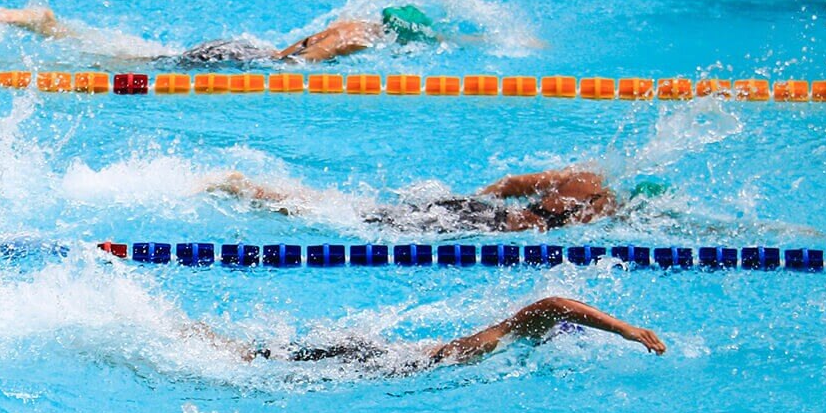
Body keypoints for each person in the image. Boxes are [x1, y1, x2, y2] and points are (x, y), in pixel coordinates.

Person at [187, 296, 665, 377]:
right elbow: (552, 305)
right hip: (379, 359)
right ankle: (206, 341)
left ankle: (214, 342)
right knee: (254, 361)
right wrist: (624, 329)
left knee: (267, 358)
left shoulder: (507, 345)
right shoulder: (508, 335)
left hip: (385, 359)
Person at [207, 166, 666, 234]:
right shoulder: (603, 207)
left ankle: (259, 190)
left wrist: (469, 200)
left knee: (364, 213)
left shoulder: (584, 176)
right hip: (484, 226)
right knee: (363, 222)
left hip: (479, 212)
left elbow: (508, 183)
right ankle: (254, 191)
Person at [0, 2, 441, 65]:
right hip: (248, 60)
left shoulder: (353, 23)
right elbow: (297, 64)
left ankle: (54, 28)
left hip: (245, 47)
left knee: (151, 57)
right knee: (139, 65)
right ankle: (50, 30)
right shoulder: (358, 38)